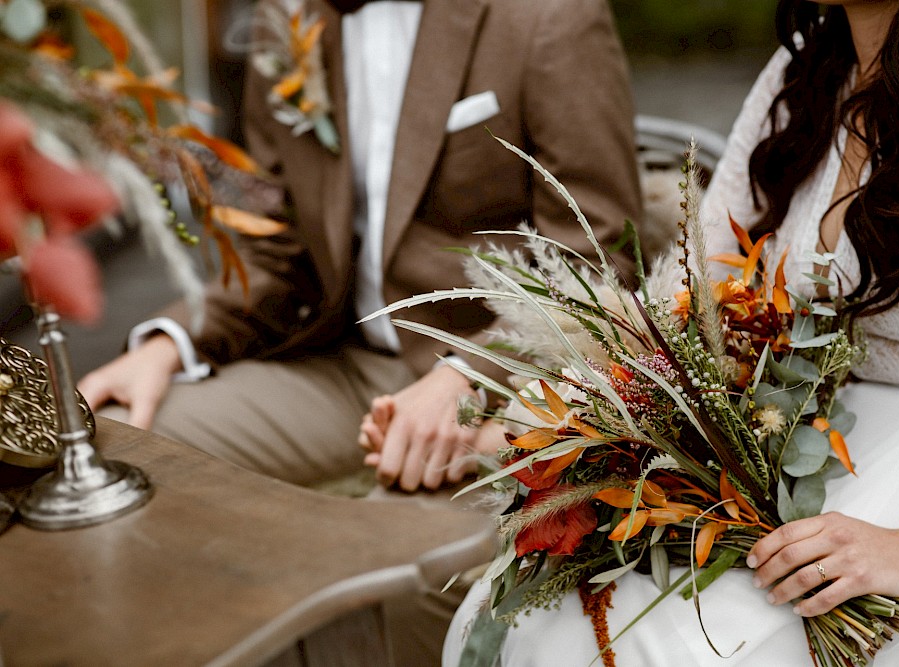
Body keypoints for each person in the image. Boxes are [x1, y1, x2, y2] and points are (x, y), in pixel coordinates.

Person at [444, 0, 899, 664]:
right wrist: (580, 413)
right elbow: (692, 286)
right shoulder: (808, 68)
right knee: (534, 622)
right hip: (802, 436)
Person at [78, 0, 642, 494]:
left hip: (492, 371)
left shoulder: (552, 15)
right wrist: (170, 342)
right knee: (115, 443)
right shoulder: (286, 19)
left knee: (400, 549)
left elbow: (592, 260)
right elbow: (280, 248)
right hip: (335, 361)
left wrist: (465, 378)